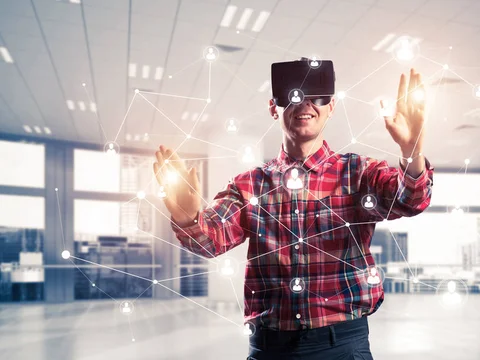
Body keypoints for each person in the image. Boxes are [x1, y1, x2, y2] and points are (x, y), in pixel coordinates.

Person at [153, 60, 434, 359]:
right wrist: (186, 216)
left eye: (319, 97)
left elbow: (409, 199)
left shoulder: (358, 173)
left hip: (342, 346)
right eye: (295, 96)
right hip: (270, 349)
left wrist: (412, 152)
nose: (307, 104)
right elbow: (211, 239)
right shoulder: (249, 185)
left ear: (332, 107)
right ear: (274, 107)